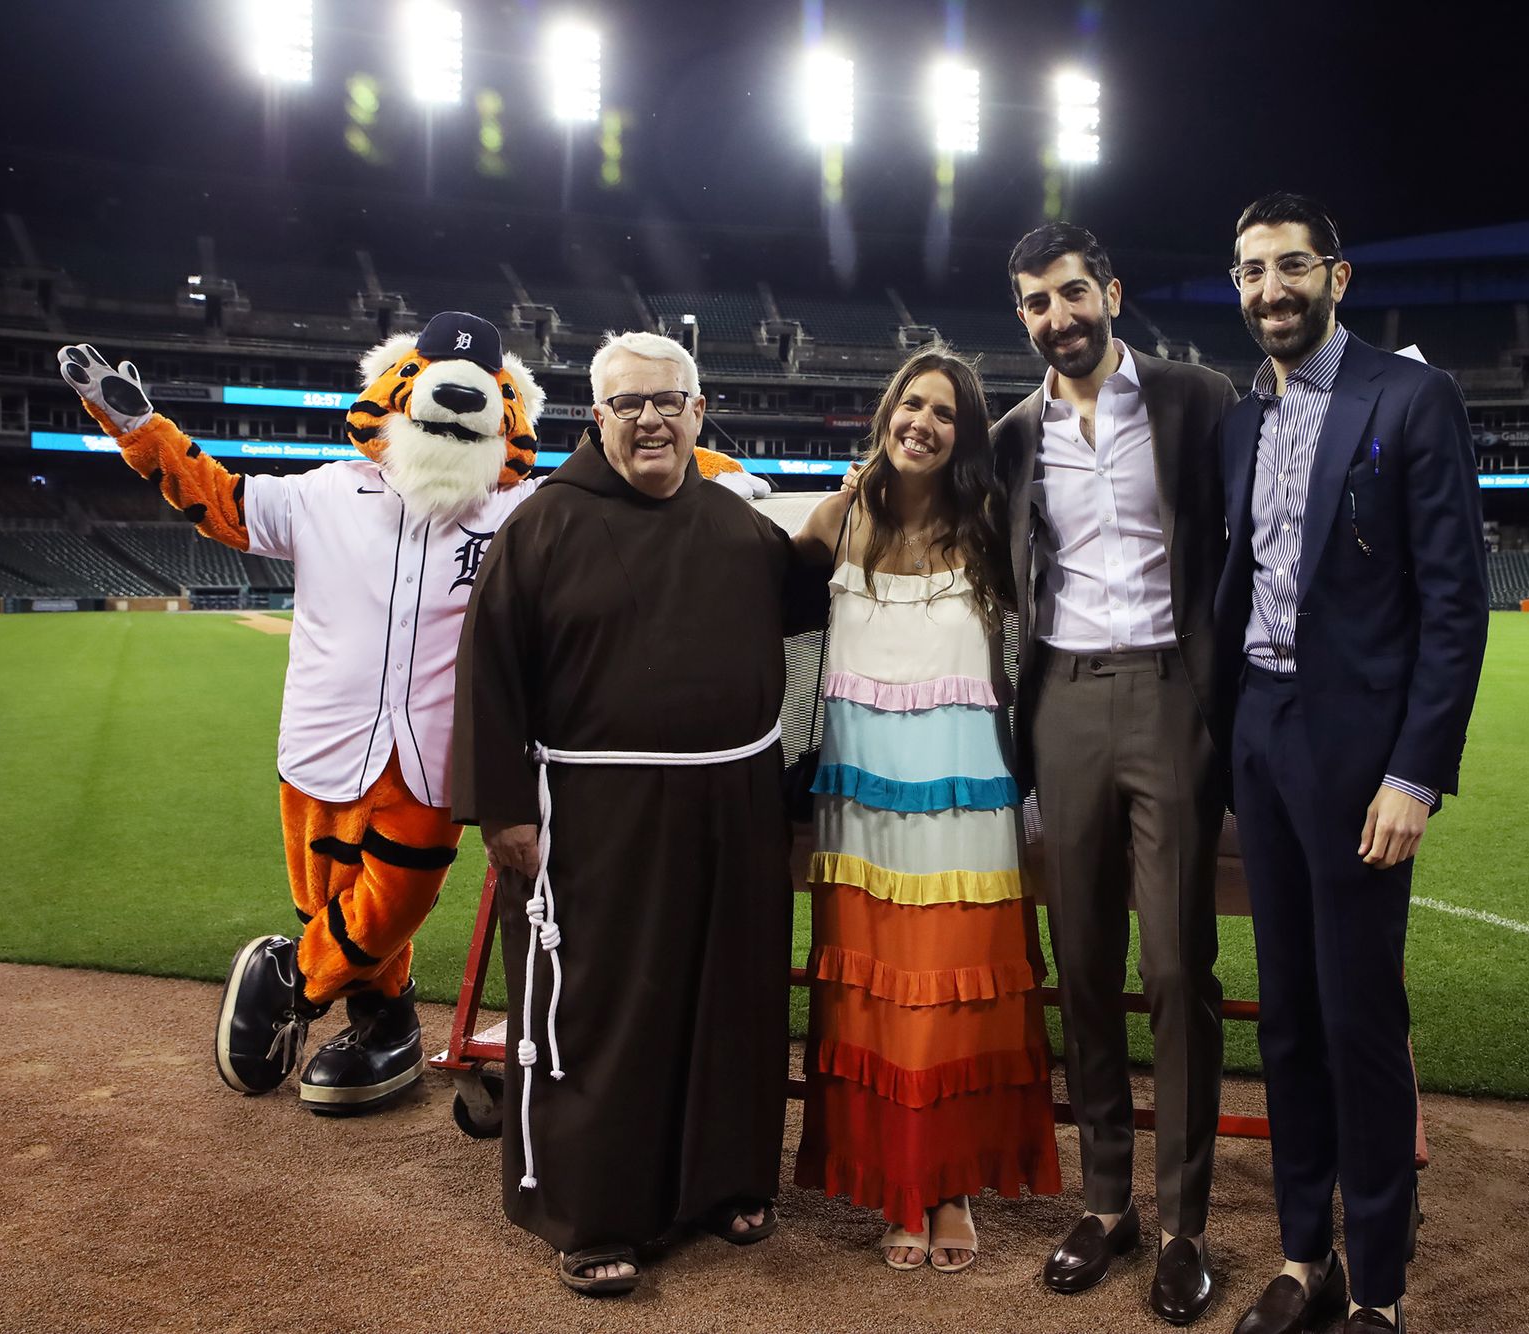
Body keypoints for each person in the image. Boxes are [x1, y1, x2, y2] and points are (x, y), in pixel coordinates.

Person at [55, 313, 545, 1115]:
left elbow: (621, 491)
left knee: (395, 898)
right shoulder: (324, 492)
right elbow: (220, 502)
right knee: (329, 900)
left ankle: (293, 982)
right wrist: (136, 425)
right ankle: (385, 1019)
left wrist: (718, 470)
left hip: (440, 758)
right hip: (323, 740)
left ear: (506, 408)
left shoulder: (523, 511)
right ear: (394, 389)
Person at [451, 330, 827, 1297]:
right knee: (605, 1010)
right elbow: (488, 676)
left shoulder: (738, 525)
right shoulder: (542, 526)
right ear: (598, 417)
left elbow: (814, 592)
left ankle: (726, 1182)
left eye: (670, 402)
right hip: (593, 813)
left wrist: (875, 494)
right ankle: (593, 1211)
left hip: (733, 805)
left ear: (701, 414)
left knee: (729, 998)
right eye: (630, 405)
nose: (652, 419)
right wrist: (505, 814)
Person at [1214, 194, 1487, 1334]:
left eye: (1287, 267)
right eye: (1246, 272)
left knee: (1358, 1018)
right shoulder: (1239, 419)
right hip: (1261, 732)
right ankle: (1299, 1255)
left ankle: (1375, 1284)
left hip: (1359, 753)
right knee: (1283, 1017)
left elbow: (1454, 604)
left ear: (1336, 274)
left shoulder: (1409, 396)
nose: (1267, 289)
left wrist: (1412, 773)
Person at [991, 223, 1239, 1325]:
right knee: (1081, 960)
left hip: (1171, 690)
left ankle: (1183, 1220)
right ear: (1023, 317)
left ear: (1112, 292)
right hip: (1058, 701)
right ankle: (1104, 1199)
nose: (1060, 316)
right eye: (1037, 303)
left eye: (1073, 291)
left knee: (1178, 966)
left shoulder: (1198, 397)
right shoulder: (1007, 436)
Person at [791, 348, 1061, 1273]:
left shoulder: (991, 522)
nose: (924, 424)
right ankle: (894, 1187)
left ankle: (947, 1187)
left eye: (946, 414)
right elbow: (750, 600)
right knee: (870, 1003)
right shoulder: (837, 515)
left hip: (966, 802)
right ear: (886, 412)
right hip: (858, 802)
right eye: (913, 404)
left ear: (965, 434)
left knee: (953, 1003)